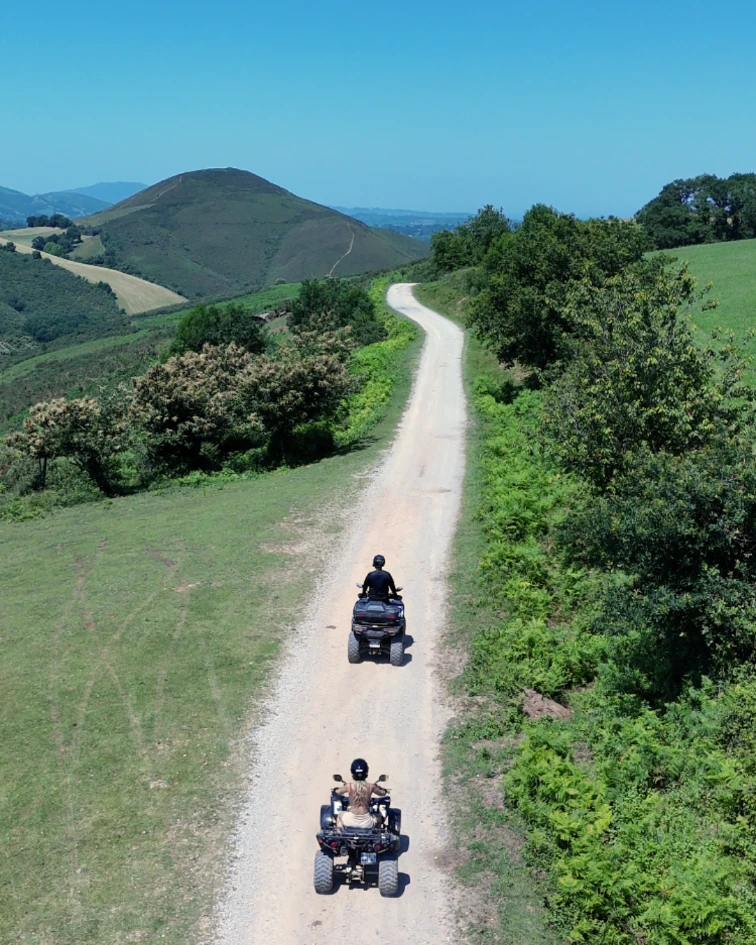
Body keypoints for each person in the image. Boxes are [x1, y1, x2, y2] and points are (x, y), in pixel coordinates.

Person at [335, 758, 388, 829]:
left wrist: (336, 790)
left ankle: (340, 835)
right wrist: (384, 791)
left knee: (339, 816)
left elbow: (338, 792)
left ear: (352, 773)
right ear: (366, 772)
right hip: (367, 822)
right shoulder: (371, 786)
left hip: (350, 820)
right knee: (379, 818)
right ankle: (377, 836)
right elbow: (381, 793)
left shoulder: (349, 786)